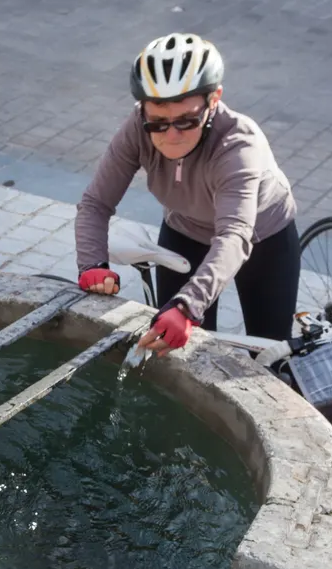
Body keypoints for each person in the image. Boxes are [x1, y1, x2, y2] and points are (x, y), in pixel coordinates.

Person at [75, 34, 300, 357]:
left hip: (261, 237)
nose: (172, 136)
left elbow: (235, 236)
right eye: (158, 123)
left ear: (214, 99)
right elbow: (96, 203)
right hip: (185, 231)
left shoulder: (238, 145)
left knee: (269, 352)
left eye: (186, 120)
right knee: (178, 352)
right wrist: (92, 263)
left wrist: (188, 306)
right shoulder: (137, 127)